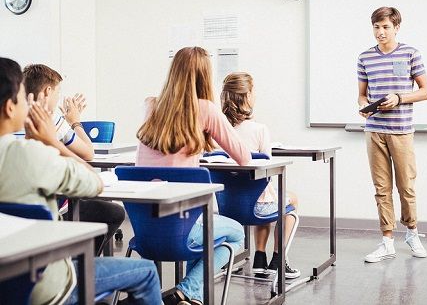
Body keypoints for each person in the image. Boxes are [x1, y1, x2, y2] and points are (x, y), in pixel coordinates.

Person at [0, 57, 162, 305]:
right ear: (11, 107)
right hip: (43, 286)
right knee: (147, 271)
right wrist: (50, 142)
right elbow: (93, 181)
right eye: (23, 97)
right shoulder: (33, 152)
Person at [136, 47, 251, 305]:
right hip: (183, 229)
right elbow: (244, 157)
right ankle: (186, 292)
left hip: (144, 230)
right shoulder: (206, 109)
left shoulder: (150, 104)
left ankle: (190, 298)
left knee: (203, 224)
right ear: (203, 76)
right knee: (234, 234)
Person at [23, 63, 125, 255]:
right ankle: (82, 266)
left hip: (20, 213)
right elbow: (88, 153)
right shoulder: (51, 120)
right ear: (48, 90)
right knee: (114, 212)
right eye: (57, 92)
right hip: (54, 206)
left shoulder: (14, 118)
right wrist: (74, 121)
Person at [357, 7, 427, 263]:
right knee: (381, 189)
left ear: (396, 27)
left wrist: (399, 98)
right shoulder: (365, 57)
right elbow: (361, 94)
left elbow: (425, 91)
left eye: (386, 27)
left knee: (406, 187)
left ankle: (412, 233)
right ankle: (387, 241)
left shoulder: (411, 53)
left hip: (401, 131)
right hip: (374, 131)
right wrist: (364, 107)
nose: (380, 32)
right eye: (376, 27)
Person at [220, 72, 300, 279]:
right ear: (246, 97)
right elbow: (267, 170)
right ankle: (278, 259)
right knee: (288, 199)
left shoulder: (216, 129)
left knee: (265, 196)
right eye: (253, 91)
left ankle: (259, 258)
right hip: (256, 208)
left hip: (226, 207)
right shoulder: (259, 130)